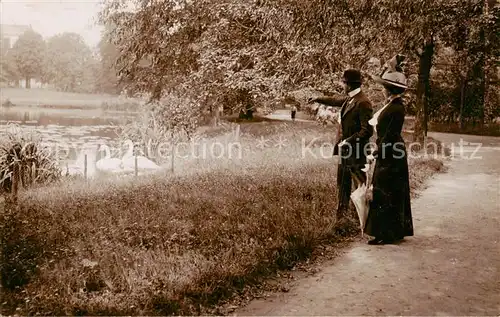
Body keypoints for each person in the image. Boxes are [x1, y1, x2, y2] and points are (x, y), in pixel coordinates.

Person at [308, 69, 374, 223]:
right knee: (342, 183)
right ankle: (342, 218)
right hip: (345, 151)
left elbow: (367, 130)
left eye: (343, 83)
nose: (342, 85)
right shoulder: (350, 99)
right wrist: (317, 98)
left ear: (349, 85)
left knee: (360, 187)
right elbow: (335, 100)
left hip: (357, 151)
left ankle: (364, 220)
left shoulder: (363, 102)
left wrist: (349, 140)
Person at [363, 59, 414, 245]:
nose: (383, 90)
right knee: (388, 189)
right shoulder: (391, 105)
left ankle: (384, 233)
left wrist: (376, 152)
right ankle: (391, 231)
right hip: (390, 149)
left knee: (384, 189)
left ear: (390, 90)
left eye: (385, 87)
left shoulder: (396, 108)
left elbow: (390, 135)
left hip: (392, 152)